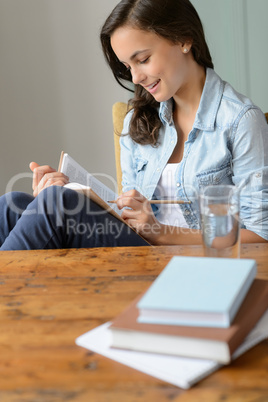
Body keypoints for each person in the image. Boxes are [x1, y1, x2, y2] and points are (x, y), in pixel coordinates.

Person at [0, 0, 267, 250]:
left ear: (184, 39)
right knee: (12, 206)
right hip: (139, 252)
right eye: (127, 66)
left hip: (192, 262)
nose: (136, 77)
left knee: (54, 204)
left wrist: (161, 231)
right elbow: (126, 215)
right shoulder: (137, 120)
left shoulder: (241, 121)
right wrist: (72, 194)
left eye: (143, 59)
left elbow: (262, 235)